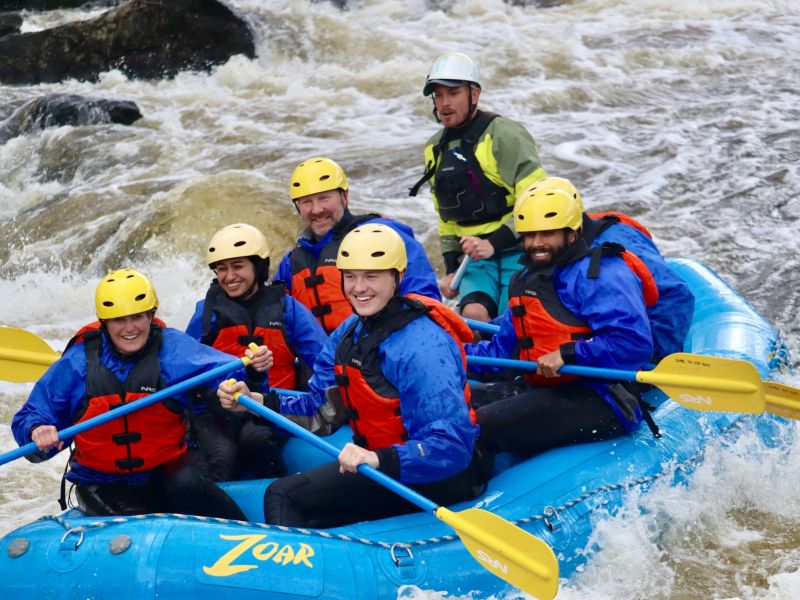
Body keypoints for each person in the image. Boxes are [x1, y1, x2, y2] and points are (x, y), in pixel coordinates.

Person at [219, 224, 491, 528]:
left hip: (433, 476)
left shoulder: (422, 345)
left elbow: (451, 447)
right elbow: (320, 413)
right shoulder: (348, 334)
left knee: (284, 496)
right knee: (293, 499)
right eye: (350, 276)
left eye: (371, 276)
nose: (359, 288)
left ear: (397, 277)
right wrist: (258, 401)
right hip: (382, 469)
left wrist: (379, 460)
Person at [11, 268, 271, 519]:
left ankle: (247, 535)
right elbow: (31, 417)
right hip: (103, 481)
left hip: (168, 467)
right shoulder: (77, 364)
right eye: (119, 320)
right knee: (135, 520)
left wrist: (243, 380)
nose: (130, 328)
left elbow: (226, 371)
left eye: (137, 317)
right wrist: (37, 429)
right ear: (104, 323)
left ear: (151, 315)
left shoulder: (172, 349)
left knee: (187, 484)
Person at [465, 183, 655, 457]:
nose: (537, 243)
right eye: (530, 235)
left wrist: (568, 354)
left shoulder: (599, 275)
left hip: (600, 396)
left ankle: (473, 491)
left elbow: (633, 343)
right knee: (450, 407)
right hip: (541, 387)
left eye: (548, 233)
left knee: (480, 424)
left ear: (572, 234)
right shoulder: (524, 280)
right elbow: (501, 351)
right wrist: (450, 356)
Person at [409, 51, 547, 322]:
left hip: (519, 251)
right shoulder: (434, 148)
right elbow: (446, 218)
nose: (444, 103)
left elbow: (535, 201)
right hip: (474, 261)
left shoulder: (505, 135)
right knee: (473, 316)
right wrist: (451, 268)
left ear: (475, 93)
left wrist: (493, 243)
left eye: (453, 93)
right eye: (438, 95)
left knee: (514, 321)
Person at [185, 223, 327, 481]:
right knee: (221, 456)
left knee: (257, 440)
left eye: (238, 266)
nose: (229, 276)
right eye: (222, 268)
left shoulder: (287, 309)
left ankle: (281, 497)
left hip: (269, 406)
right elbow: (185, 367)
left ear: (258, 267)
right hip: (217, 410)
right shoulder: (206, 313)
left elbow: (322, 359)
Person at [527, 177, 694, 360]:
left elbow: (675, 293)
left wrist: (656, 357)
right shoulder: (568, 248)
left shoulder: (613, 248)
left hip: (638, 341)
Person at [274, 156, 441, 334]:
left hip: (380, 349)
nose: (316, 210)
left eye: (324, 198)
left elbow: (424, 299)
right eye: (307, 202)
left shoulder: (382, 235)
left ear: (344, 196)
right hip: (322, 358)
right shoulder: (291, 263)